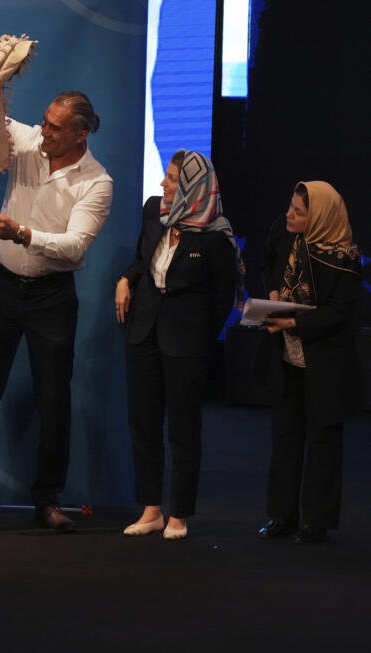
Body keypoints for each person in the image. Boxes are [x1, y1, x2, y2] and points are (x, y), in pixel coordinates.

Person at [0, 91, 113, 534]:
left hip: (51, 299)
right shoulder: (29, 142)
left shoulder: (96, 182)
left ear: (81, 133)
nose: (45, 133)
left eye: (55, 128)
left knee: (53, 400)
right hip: (0, 289)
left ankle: (48, 500)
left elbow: (75, 246)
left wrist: (23, 233)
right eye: (45, 122)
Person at [114, 150, 239, 540]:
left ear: (192, 187)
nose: (163, 185)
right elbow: (142, 258)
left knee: (183, 428)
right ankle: (151, 508)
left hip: (185, 340)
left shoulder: (215, 238)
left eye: (171, 179)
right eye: (166, 177)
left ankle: (179, 513)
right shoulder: (155, 212)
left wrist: (199, 336)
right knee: (143, 422)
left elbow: (222, 298)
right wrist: (125, 278)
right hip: (144, 330)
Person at [255, 181, 364, 544]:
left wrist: (293, 322)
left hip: (325, 359)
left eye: (299, 213)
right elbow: (269, 260)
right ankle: (281, 516)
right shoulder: (282, 232)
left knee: (322, 441)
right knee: (285, 438)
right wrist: (272, 295)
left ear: (319, 218)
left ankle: (315, 522)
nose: (289, 215)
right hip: (286, 354)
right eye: (290, 207)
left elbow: (340, 311)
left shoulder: (342, 256)